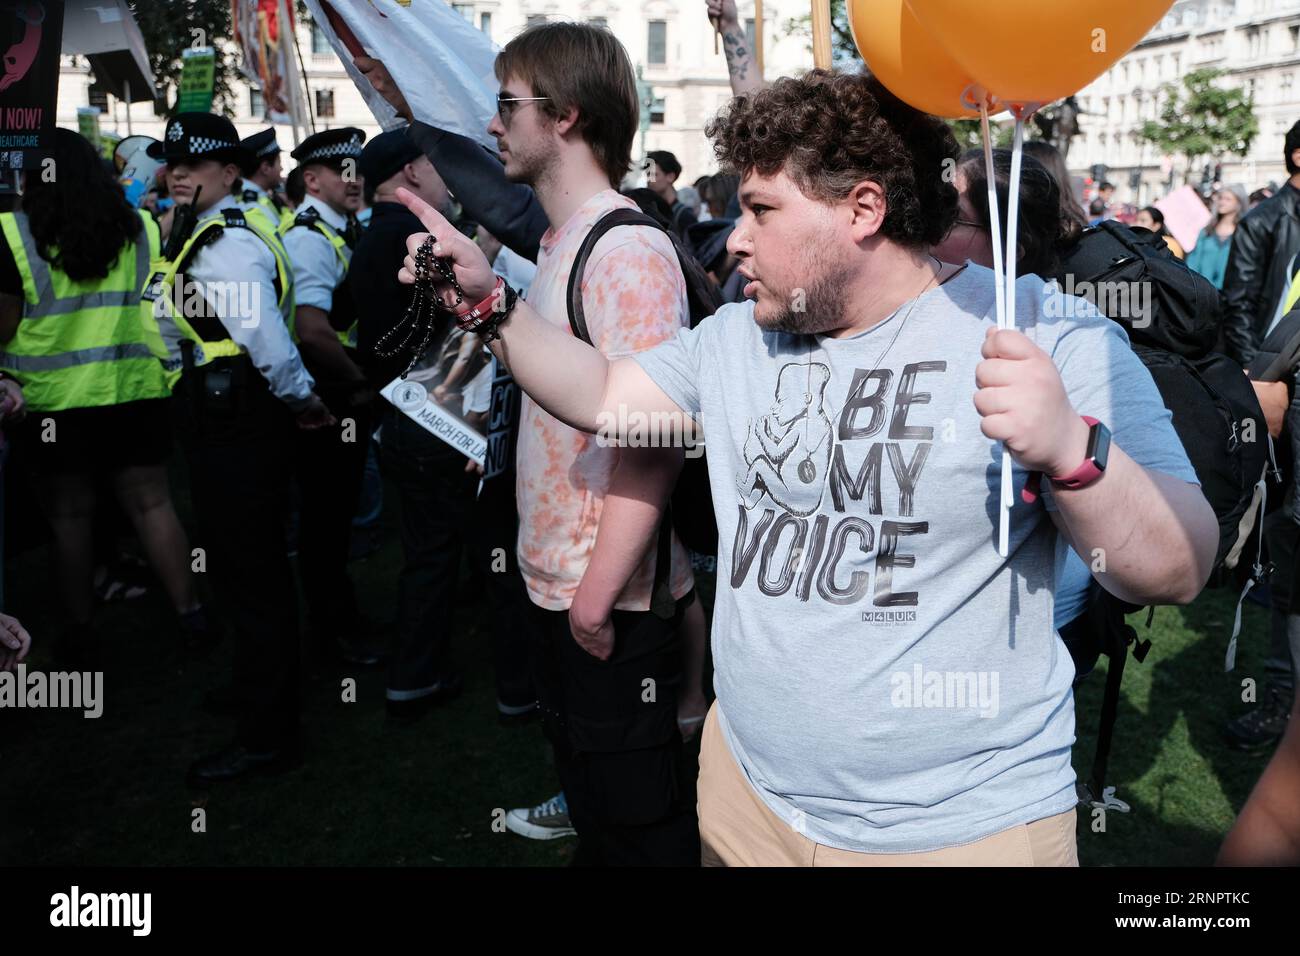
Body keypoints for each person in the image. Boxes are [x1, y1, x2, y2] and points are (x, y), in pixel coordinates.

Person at [396, 69, 1217, 865]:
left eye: (760, 209)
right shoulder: (740, 336)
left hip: (959, 832)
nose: (736, 236)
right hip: (747, 801)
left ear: (863, 209)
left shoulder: (1047, 334)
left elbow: (1180, 566)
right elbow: (609, 394)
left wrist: (1074, 453)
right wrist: (490, 310)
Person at [407, 22, 699, 865]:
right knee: (601, 815)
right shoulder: (557, 239)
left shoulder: (629, 247)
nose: (492, 124)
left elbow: (653, 439)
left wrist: (596, 599)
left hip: (604, 598)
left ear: (566, 115)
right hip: (561, 587)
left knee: (644, 832)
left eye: (507, 104)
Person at [141, 112, 333, 785]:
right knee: (240, 568)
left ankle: (268, 734)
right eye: (172, 164)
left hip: (241, 420)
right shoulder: (195, 231)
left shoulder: (226, 242)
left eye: (194, 165)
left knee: (252, 577)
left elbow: (271, 347)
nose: (178, 174)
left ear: (230, 171)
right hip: (220, 419)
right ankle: (259, 688)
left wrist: (305, 404)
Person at [0, 128, 207, 667]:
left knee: (70, 520)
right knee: (153, 505)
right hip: (134, 390)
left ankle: (79, 630)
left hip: (52, 405)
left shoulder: (12, 233)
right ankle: (191, 614)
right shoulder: (138, 225)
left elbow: (3, 329)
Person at [350, 129, 491, 717]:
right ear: (411, 172)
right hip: (438, 416)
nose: (442, 177)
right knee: (436, 550)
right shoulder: (413, 238)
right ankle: (416, 677)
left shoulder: (366, 238)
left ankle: (419, 662)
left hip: (399, 419)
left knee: (425, 547)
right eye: (434, 166)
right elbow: (463, 315)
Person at [282, 127, 379, 666]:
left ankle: (342, 620)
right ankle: (331, 633)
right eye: (342, 171)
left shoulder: (341, 229)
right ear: (312, 180)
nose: (354, 180)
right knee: (325, 521)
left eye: (358, 170)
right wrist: (357, 383)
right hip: (332, 391)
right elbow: (311, 329)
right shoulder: (309, 238)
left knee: (336, 517)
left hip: (343, 388)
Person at [1223, 121, 1300, 366]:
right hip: (1277, 367)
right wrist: (1254, 369)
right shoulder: (1261, 221)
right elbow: (1239, 303)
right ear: (1298, 157)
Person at [1186, 186, 1248, 290]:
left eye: (1228, 199)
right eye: (1221, 198)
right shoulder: (1206, 231)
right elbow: (1193, 261)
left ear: (1238, 203)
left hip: (1228, 294)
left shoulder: (1242, 233)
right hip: (1201, 291)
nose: (1222, 202)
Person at [239, 128, 292, 229]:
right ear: (266, 168)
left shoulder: (259, 199)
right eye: (279, 162)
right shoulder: (251, 206)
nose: (281, 168)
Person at [644, 150, 698, 241]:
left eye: (654, 174)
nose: (649, 180)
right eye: (648, 175)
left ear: (670, 177)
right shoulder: (651, 211)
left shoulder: (685, 216)